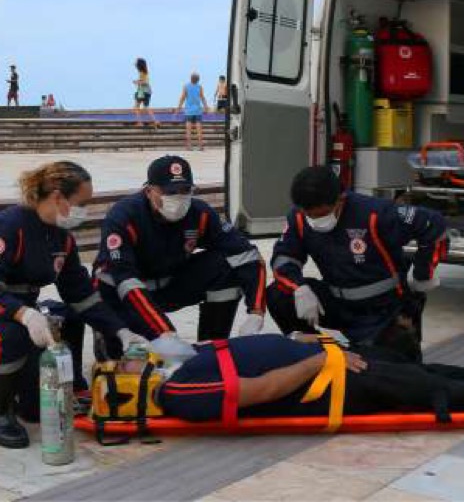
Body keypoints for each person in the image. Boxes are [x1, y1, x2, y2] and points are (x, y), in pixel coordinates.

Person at [0, 162, 146, 449]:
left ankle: (19, 392)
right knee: (12, 335)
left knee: (35, 409)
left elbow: (81, 295)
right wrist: (23, 314)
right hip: (8, 313)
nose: (85, 211)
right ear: (57, 197)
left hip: (21, 310)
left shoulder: (61, 239)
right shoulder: (11, 226)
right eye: (82, 203)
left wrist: (121, 331)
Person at [149, 331, 464, 423]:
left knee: (414, 368)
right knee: (422, 389)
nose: (131, 357)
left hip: (321, 358)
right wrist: (315, 363)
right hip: (321, 384)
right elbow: (262, 390)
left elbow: (247, 355)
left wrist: (305, 343)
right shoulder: (180, 391)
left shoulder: (184, 362)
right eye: (124, 365)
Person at [93, 155, 268, 361]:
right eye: (170, 192)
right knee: (124, 365)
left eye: (185, 191)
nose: (178, 198)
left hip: (170, 284)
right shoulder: (125, 216)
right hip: (124, 295)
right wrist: (164, 332)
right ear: (149, 191)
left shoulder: (200, 213)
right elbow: (124, 278)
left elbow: (248, 255)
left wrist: (256, 312)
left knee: (225, 267)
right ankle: (109, 335)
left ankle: (212, 349)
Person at [266, 166, 448, 362]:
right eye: (309, 215)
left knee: (393, 373)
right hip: (338, 302)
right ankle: (316, 353)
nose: (315, 221)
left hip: (384, 309)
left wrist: (422, 274)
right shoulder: (300, 218)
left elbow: (433, 225)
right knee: (279, 294)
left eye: (322, 215)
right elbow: (284, 257)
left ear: (340, 200)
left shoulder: (375, 214)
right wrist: (299, 288)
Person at [175, 72, 209, 151]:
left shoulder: (186, 86)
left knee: (188, 130)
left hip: (188, 111)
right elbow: (202, 98)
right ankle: (201, 146)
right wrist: (206, 107)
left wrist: (178, 108)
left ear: (191, 78)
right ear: (198, 80)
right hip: (197, 111)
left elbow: (182, 98)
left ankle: (189, 146)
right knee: (199, 129)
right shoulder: (200, 87)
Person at [133, 58, 159, 129]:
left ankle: (140, 122)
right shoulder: (145, 72)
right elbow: (144, 81)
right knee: (146, 107)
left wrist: (137, 82)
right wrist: (138, 81)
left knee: (136, 107)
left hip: (142, 92)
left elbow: (144, 82)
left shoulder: (141, 73)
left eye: (136, 63)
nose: (135, 64)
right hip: (147, 91)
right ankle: (155, 121)